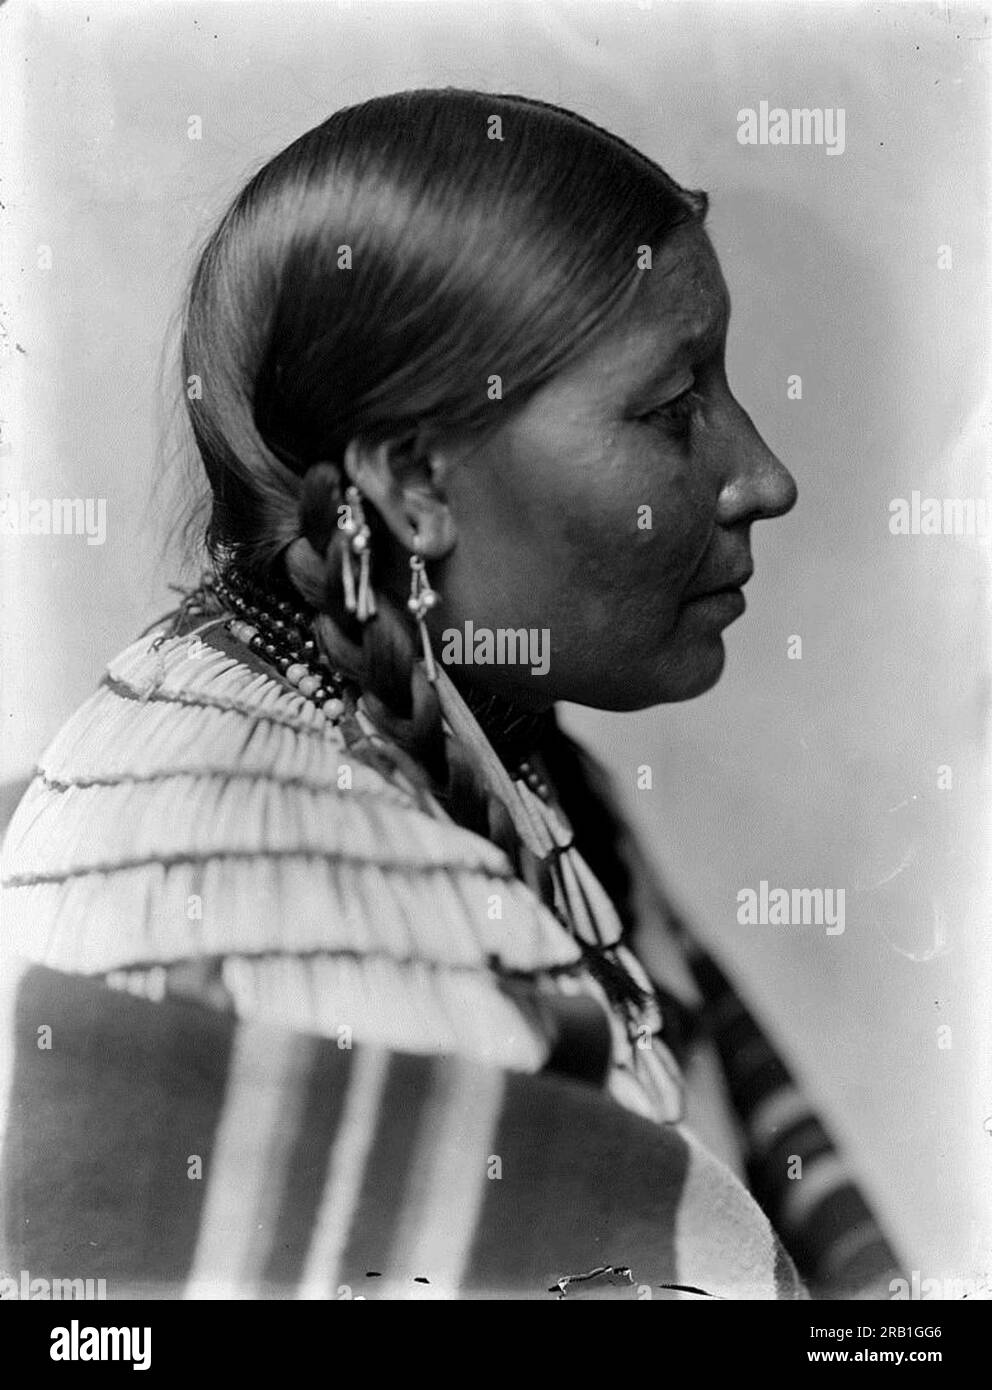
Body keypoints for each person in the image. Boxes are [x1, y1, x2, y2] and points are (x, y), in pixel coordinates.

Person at [0, 88, 899, 1300]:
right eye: (672, 408)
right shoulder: (260, 872)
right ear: (414, 481)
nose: (763, 476)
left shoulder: (492, 751)